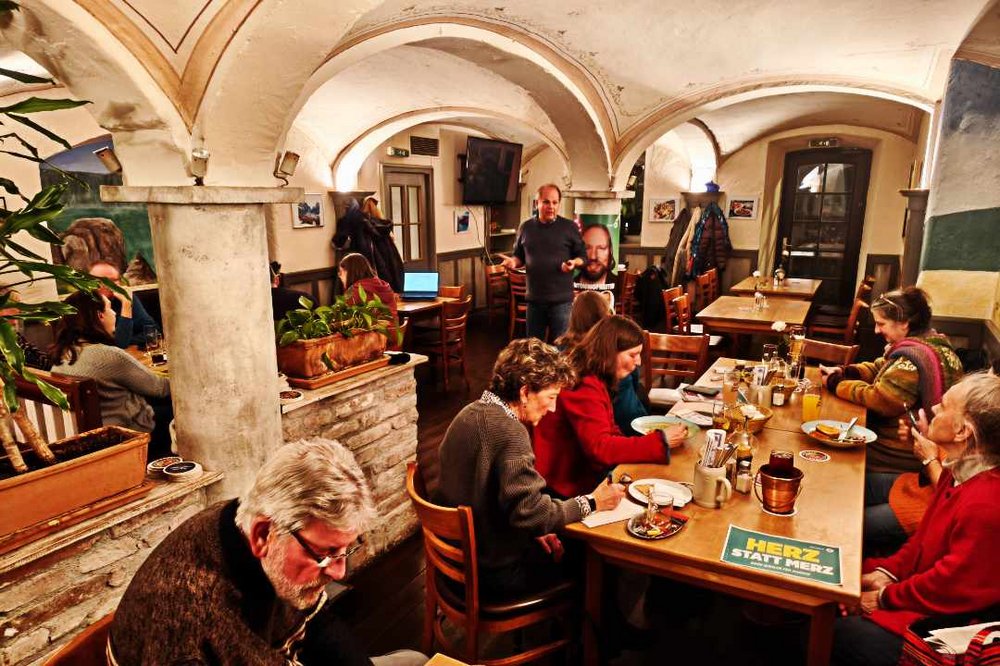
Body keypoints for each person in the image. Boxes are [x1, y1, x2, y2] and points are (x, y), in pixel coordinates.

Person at [110, 438, 428, 665]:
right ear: (263, 535)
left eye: (345, 550)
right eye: (326, 553)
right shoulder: (186, 636)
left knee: (416, 660)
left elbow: (316, 622)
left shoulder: (244, 523)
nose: (338, 572)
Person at [436, 338, 624, 600]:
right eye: (551, 397)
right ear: (525, 392)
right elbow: (531, 514)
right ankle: (594, 637)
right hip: (492, 576)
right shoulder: (510, 431)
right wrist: (592, 502)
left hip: (453, 566)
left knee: (554, 539)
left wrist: (529, 533)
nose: (553, 407)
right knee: (590, 555)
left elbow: (501, 503)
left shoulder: (467, 414)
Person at [832, 373, 1000, 666]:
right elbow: (922, 539)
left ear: (963, 432)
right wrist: (887, 573)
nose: (934, 408)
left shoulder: (986, 503)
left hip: (950, 626)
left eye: (945, 406)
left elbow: (950, 588)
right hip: (924, 594)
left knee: (844, 633)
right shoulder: (957, 470)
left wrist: (885, 597)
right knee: (839, 575)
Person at [533, 315, 687, 498]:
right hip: (562, 485)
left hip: (571, 474)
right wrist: (661, 441)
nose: (638, 362)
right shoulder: (584, 385)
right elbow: (600, 448)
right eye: (633, 354)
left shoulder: (591, 373)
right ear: (610, 351)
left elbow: (607, 430)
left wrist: (650, 442)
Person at [820, 287, 963, 474]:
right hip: (908, 451)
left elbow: (879, 398)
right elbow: (882, 366)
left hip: (897, 456)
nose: (876, 330)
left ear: (904, 323)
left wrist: (835, 383)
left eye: (881, 324)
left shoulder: (914, 358)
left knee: (831, 460)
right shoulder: (930, 345)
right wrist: (846, 371)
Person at [50, 291, 172, 458]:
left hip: (94, 433)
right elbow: (161, 389)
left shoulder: (64, 353)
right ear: (100, 315)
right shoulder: (108, 355)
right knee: (180, 409)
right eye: (109, 308)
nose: (114, 313)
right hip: (129, 434)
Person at [502, 184, 585, 342]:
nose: (551, 207)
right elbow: (519, 256)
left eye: (555, 202)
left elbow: (583, 256)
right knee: (534, 350)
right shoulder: (526, 228)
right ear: (537, 203)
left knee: (560, 351)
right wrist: (513, 262)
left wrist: (574, 263)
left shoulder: (569, 227)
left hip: (561, 302)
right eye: (546, 202)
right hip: (535, 300)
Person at [556, 292, 648, 436]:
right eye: (633, 355)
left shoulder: (562, 351)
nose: (638, 362)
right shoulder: (599, 371)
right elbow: (602, 442)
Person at [88, 260, 159, 349]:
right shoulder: (83, 304)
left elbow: (152, 331)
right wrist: (126, 306)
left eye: (113, 280)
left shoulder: (125, 297)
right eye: (102, 280)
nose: (108, 285)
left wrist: (127, 339)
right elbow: (119, 344)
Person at [339, 252, 400, 349]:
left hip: (372, 346)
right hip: (393, 342)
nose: (340, 276)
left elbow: (343, 321)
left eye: (341, 272)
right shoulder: (384, 285)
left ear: (349, 272)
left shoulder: (355, 291)